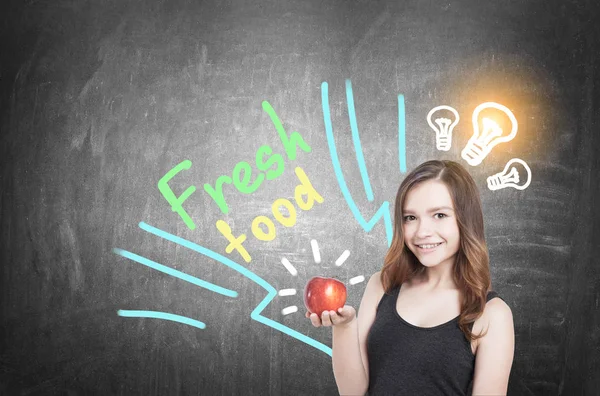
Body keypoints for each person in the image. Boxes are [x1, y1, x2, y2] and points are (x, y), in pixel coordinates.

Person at [306, 159, 515, 395]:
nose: (422, 232)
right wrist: (344, 326)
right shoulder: (382, 285)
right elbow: (352, 391)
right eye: (410, 218)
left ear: (466, 220)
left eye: (439, 215)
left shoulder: (492, 314)